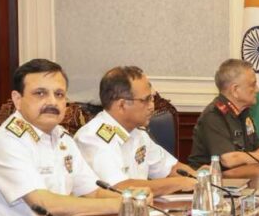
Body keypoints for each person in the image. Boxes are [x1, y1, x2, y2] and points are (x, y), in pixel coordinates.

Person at [0, 59, 122, 216]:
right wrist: (117, 205)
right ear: (17, 100)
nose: (52, 102)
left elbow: (93, 192)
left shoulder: (62, 137)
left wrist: (130, 200)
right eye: (40, 93)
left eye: (59, 94)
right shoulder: (5, 141)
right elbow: (45, 204)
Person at [75, 66, 197, 196]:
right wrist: (179, 183)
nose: (152, 106)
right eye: (146, 100)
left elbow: (171, 168)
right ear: (122, 105)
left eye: (152, 99)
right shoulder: (93, 138)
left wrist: (201, 178)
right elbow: (119, 188)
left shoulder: (137, 132)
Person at [189, 59, 259, 179]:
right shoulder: (214, 115)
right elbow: (228, 160)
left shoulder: (244, 112)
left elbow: (256, 149)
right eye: (253, 85)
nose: (258, 90)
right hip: (208, 182)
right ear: (235, 90)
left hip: (238, 179)